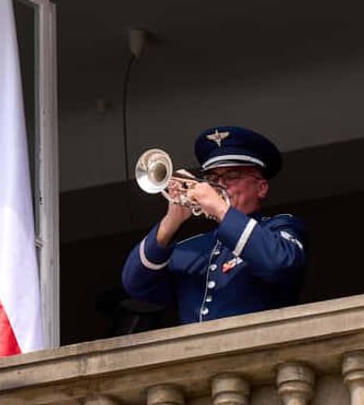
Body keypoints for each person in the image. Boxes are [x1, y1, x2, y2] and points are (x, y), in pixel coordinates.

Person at [122, 126, 307, 324]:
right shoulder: (190, 249)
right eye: (211, 179)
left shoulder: (279, 228)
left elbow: (280, 264)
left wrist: (220, 208)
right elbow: (136, 285)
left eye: (232, 176)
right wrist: (172, 220)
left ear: (261, 188)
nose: (220, 185)